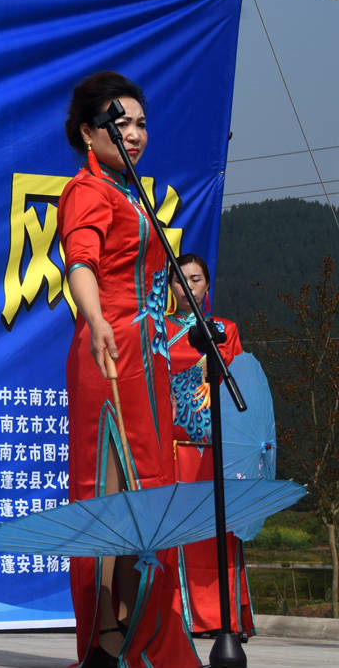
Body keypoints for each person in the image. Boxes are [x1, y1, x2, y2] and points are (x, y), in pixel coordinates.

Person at [57, 71, 199, 668]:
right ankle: (107, 633)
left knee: (148, 494)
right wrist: (94, 319)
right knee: (108, 496)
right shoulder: (88, 190)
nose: (135, 134)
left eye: (141, 123)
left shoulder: (131, 192)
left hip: (149, 355)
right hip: (111, 350)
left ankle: (136, 628)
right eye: (120, 124)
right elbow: (80, 261)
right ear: (88, 133)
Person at [165, 253, 255, 637]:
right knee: (178, 531)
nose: (188, 287)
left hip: (218, 449)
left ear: (207, 285)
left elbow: (240, 381)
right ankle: (179, 618)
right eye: (180, 280)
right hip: (172, 449)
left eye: (196, 279)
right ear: (169, 287)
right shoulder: (157, 329)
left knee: (220, 531)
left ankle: (224, 618)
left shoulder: (224, 329)